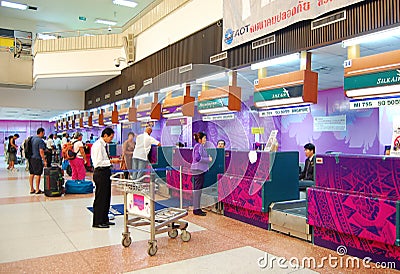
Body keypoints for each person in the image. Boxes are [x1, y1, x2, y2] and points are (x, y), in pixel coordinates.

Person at [91, 127, 121, 228]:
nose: (111, 139)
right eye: (110, 137)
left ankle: (104, 219)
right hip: (100, 173)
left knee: (106, 197)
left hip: (105, 172)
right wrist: (112, 161)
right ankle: (97, 221)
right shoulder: (98, 146)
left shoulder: (103, 145)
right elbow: (98, 162)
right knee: (100, 198)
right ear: (105, 136)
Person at [191, 132, 212, 216]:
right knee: (197, 190)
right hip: (198, 170)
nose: (205, 140)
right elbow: (197, 158)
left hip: (198, 170)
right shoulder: (198, 146)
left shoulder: (199, 146)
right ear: (200, 139)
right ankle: (196, 209)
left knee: (198, 190)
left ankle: (197, 208)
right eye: (204, 138)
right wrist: (208, 159)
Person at [29, 128, 47, 194]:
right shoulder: (40, 141)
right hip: (37, 159)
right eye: (44, 132)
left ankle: (31, 189)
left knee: (31, 173)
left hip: (31, 158)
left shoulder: (32, 138)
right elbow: (41, 151)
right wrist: (44, 160)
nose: (44, 134)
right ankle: (37, 189)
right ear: (41, 132)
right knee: (38, 174)